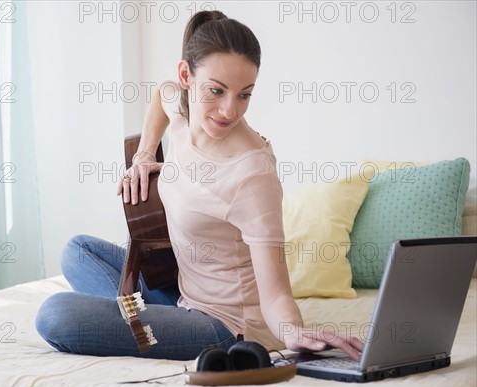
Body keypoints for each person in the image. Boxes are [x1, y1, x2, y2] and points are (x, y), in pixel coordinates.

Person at [35, 10, 364, 361]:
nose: (229, 110)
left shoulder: (252, 174)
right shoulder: (182, 109)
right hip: (182, 297)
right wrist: (144, 155)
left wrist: (292, 331)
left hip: (225, 327)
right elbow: (161, 96)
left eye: (244, 94)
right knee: (78, 251)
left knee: (56, 315)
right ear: (186, 77)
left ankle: (145, 326)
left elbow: (276, 294)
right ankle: (149, 323)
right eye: (217, 90)